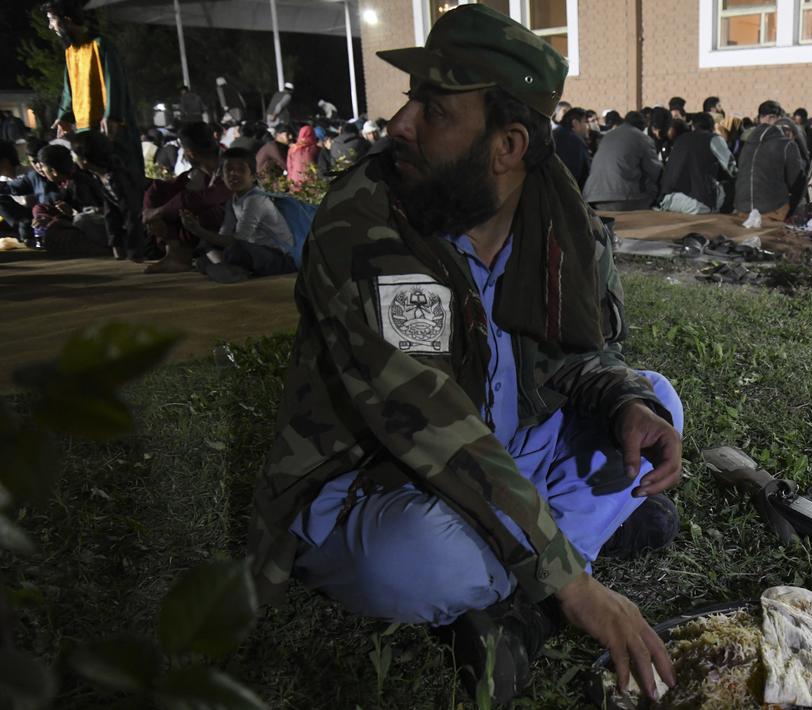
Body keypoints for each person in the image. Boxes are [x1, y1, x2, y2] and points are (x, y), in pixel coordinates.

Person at [247, 5, 682, 706]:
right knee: (420, 561)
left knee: (658, 401)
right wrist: (570, 584)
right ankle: (550, 569)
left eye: (434, 110)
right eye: (413, 101)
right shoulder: (365, 221)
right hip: (392, 478)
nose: (400, 125)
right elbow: (429, 420)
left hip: (505, 454)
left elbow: (579, 358)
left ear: (507, 145)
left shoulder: (559, 220)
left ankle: (520, 588)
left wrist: (625, 402)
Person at [44, 0, 142, 182]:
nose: (50, 27)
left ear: (66, 20)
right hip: (85, 128)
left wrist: (112, 115)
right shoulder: (71, 51)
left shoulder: (100, 45)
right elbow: (69, 87)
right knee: (97, 176)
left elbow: (115, 81)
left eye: (51, 20)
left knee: (121, 175)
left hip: (109, 126)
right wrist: (64, 116)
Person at [180, 147, 296, 281]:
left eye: (241, 170)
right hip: (254, 250)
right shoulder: (233, 201)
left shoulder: (256, 200)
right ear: (222, 176)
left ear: (253, 176)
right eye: (228, 169)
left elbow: (239, 240)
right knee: (207, 243)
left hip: (281, 257)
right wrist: (202, 234)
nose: (234, 174)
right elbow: (224, 235)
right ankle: (225, 267)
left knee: (235, 249)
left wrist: (199, 230)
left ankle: (221, 267)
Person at [142, 121, 229, 271]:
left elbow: (204, 197)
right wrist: (152, 212)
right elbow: (170, 188)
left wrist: (158, 212)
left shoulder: (230, 164)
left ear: (189, 153)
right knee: (158, 190)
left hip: (234, 223)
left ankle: (180, 255)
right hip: (206, 219)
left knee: (197, 212)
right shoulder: (199, 170)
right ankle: (174, 254)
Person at [69, 130, 146, 260]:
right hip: (131, 225)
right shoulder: (101, 176)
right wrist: (116, 246)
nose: (74, 159)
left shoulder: (118, 178)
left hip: (145, 224)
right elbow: (111, 213)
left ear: (85, 159)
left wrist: (135, 250)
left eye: (76, 155)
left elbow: (133, 213)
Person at [732, 100, 806, 222]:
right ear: (773, 118)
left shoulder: (747, 142)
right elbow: (797, 182)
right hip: (771, 210)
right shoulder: (786, 145)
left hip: (742, 209)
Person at [582, 110, 662, 211]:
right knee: (652, 187)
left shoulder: (607, 136)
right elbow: (655, 171)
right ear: (643, 126)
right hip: (622, 198)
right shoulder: (643, 138)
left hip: (592, 196)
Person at [658, 112, 734, 214]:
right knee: (731, 187)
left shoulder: (680, 139)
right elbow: (732, 169)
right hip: (698, 203)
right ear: (712, 127)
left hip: (668, 199)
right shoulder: (713, 139)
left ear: (693, 126)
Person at [552, 107, 591, 188]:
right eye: (585, 122)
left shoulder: (554, 134)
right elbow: (574, 175)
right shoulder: (574, 141)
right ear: (575, 123)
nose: (588, 127)